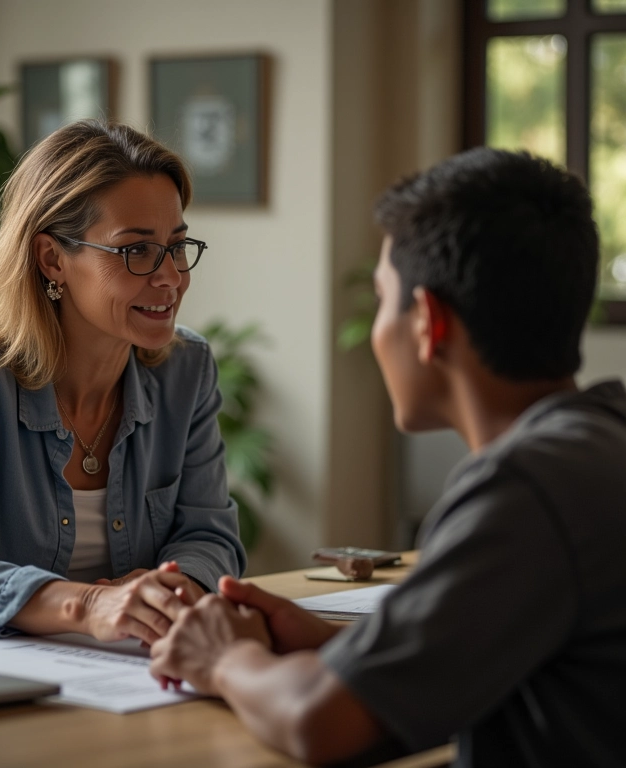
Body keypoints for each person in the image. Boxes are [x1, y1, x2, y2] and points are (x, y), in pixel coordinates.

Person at [149, 148, 626, 767]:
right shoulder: (601, 439)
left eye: (382, 300)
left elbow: (319, 723)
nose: (376, 329)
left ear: (428, 322)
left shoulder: (525, 490)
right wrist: (333, 646)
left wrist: (223, 657)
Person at [0, 120, 246, 642]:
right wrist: (87, 605)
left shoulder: (186, 370)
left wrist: (169, 590)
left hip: (123, 670)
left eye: (176, 246)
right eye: (136, 250)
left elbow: (210, 536)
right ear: (52, 259)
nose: (171, 277)